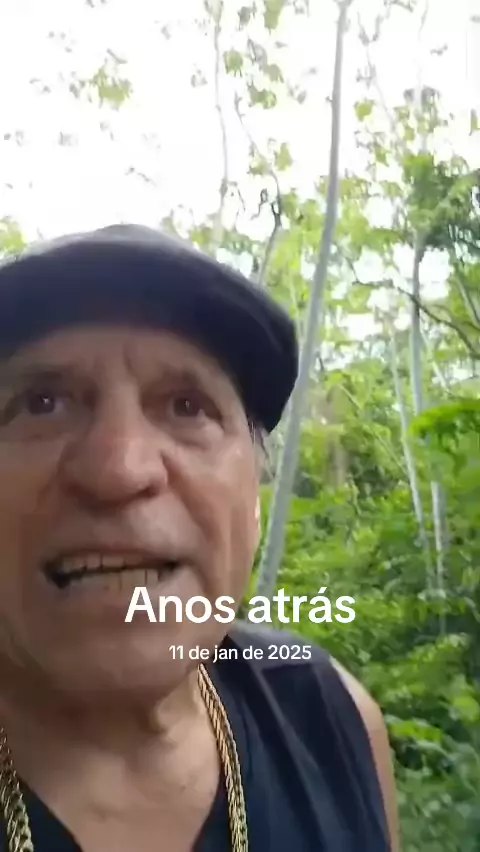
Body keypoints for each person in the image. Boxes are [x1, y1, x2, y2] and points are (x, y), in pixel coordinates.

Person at [0, 224, 399, 852]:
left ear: (254, 500)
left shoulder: (328, 713)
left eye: (188, 406)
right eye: (42, 403)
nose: (119, 470)